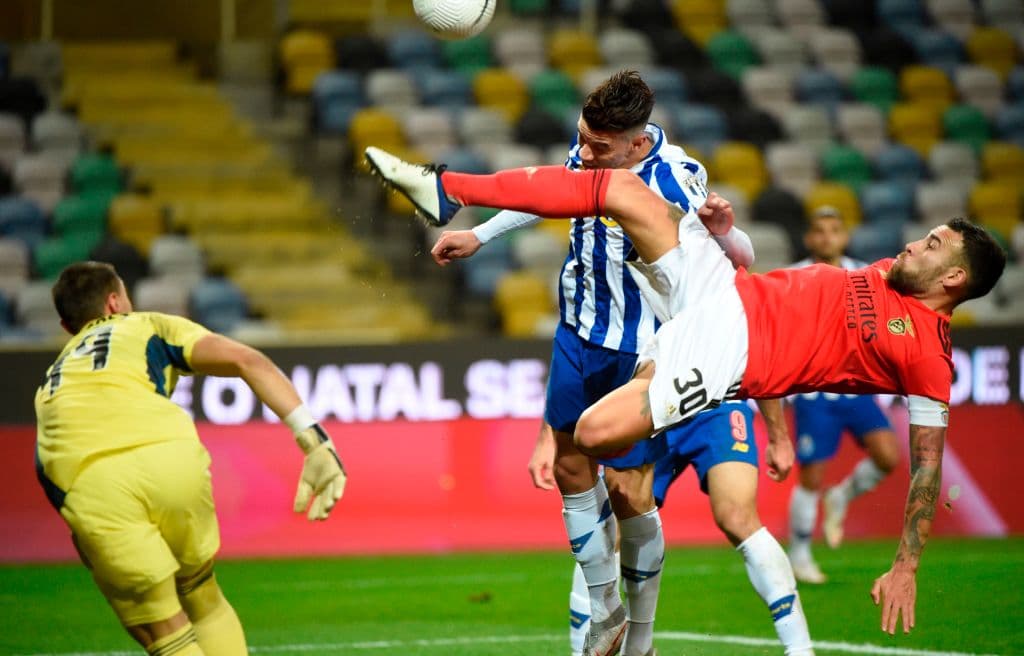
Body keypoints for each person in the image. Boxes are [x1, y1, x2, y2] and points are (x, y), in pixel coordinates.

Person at [362, 148, 1006, 635]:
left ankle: (622, 620)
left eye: (932, 245)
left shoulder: (928, 357)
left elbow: (927, 468)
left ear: (952, 277)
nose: (912, 243)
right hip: (722, 290)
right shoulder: (891, 276)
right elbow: (754, 261)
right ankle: (446, 189)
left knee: (590, 438)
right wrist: (725, 236)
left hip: (729, 352)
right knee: (621, 189)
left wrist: (907, 566)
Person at [377, 126, 812, 655]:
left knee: (658, 500)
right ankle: (606, 614)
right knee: (577, 474)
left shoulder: (675, 177)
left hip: (656, 357)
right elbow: (547, 194)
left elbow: (739, 265)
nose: (584, 153)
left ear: (633, 145)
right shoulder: (590, 153)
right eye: (582, 139)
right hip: (581, 335)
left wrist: (725, 228)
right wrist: (482, 235)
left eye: (596, 145)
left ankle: (675, 644)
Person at [35, 261, 347, 656]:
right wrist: (315, 443)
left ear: (68, 327)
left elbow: (46, 464)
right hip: (170, 454)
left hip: (90, 477)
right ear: (115, 302)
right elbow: (247, 361)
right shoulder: (147, 324)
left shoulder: (54, 376)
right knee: (201, 591)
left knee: (159, 625)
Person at [786, 207, 902, 584]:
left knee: (887, 455)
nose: (826, 238)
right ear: (809, 239)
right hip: (814, 389)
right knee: (812, 475)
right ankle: (800, 554)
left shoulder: (868, 276)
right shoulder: (794, 278)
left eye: (834, 231)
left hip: (856, 386)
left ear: (844, 236)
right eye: (819, 231)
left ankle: (843, 495)